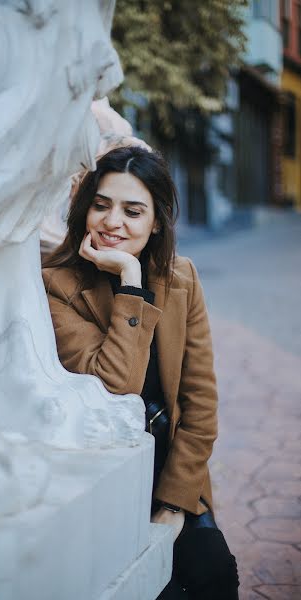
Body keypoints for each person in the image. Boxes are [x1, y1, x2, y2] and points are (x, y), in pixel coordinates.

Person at [42, 146, 240, 599]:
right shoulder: (56, 286)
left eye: (133, 211)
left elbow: (200, 402)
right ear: (83, 208)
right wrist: (131, 281)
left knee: (215, 576)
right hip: (106, 479)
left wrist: (174, 502)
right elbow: (116, 386)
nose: (113, 223)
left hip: (173, 472)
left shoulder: (182, 278)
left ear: (156, 223)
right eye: (101, 205)